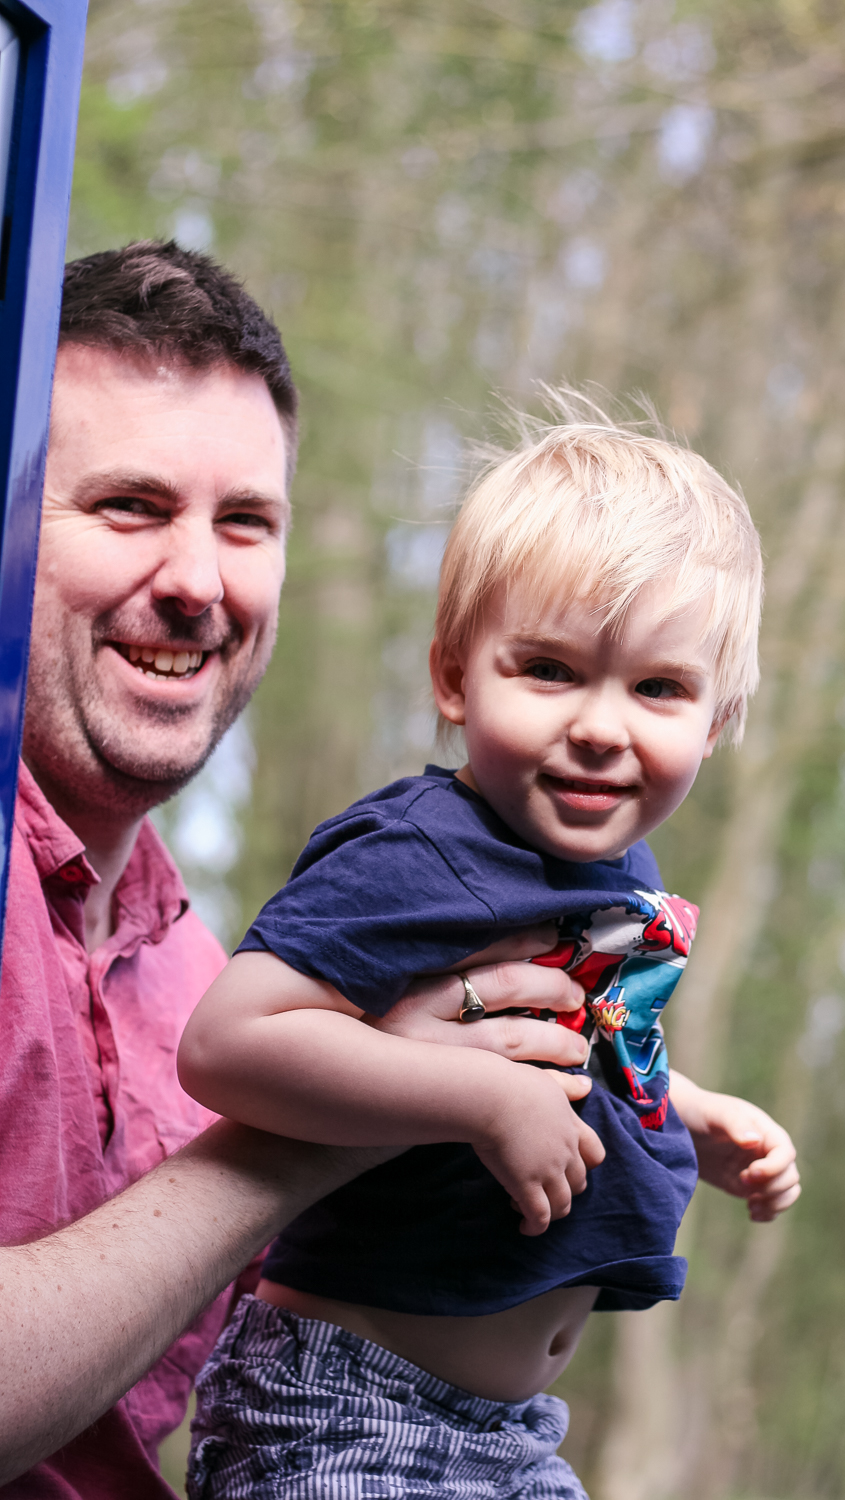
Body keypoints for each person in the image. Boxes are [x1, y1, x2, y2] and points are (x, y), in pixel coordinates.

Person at [0, 243, 626, 1498]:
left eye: (245, 523)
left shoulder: (201, 964)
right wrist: (350, 1110)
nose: (197, 581)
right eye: (130, 506)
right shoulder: (272, 1030)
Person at [178, 407, 801, 1499]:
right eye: (549, 670)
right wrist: (477, 1099)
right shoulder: (420, 850)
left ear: (717, 719)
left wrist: (689, 1112)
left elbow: (580, 1036)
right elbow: (228, 1045)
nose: (603, 726)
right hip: (347, 1408)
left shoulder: (620, 875)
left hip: (510, 1432)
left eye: (657, 689)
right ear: (457, 679)